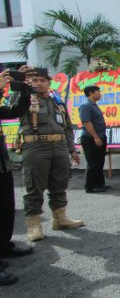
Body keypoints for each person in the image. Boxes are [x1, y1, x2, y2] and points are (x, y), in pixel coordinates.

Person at [18, 68, 84, 242]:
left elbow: (68, 127)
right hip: (36, 147)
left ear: (49, 82)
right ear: (29, 82)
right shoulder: (24, 100)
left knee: (59, 183)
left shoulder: (57, 102)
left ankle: (60, 218)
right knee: (34, 187)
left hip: (60, 146)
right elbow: (13, 106)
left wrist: (72, 149)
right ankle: (34, 225)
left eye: (42, 80)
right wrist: (22, 86)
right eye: (34, 80)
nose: (38, 83)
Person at [0, 69, 33, 284]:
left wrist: (22, 87)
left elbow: (15, 110)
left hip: (1, 163)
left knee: (5, 206)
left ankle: (3, 246)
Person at [78, 85, 108, 193]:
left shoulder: (94, 105)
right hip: (91, 138)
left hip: (100, 136)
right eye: (98, 91)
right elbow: (87, 123)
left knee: (99, 162)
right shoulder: (86, 106)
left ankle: (100, 184)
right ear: (91, 93)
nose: (99, 94)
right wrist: (95, 137)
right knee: (93, 162)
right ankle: (90, 186)